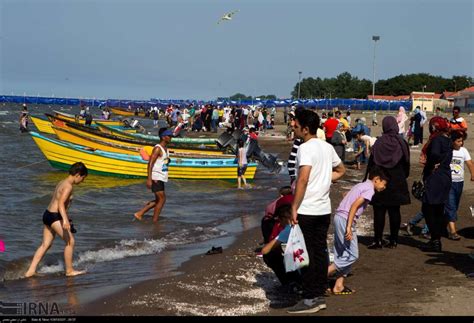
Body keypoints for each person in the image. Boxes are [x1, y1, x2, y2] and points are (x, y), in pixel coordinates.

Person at [287, 109, 346, 314]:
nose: (293, 125)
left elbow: (302, 178)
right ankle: (318, 292)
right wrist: (322, 180)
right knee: (320, 252)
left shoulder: (306, 147)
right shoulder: (326, 146)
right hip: (323, 210)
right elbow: (340, 170)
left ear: (305, 128)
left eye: (296, 123)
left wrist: (293, 207)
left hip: (308, 209)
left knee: (309, 254)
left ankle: (312, 297)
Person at [328, 166, 389, 294]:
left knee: (342, 253)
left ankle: (338, 285)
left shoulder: (360, 185)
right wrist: (349, 227)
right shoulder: (369, 190)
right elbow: (355, 206)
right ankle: (323, 274)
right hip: (345, 220)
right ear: (377, 179)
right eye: (384, 184)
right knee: (352, 254)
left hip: (339, 217)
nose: (384, 187)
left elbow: (347, 195)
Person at [25, 162, 88, 277]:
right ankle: (69, 271)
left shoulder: (62, 182)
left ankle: (30, 271)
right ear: (78, 175)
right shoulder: (68, 186)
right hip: (55, 216)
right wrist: (64, 220)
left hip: (47, 214)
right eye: (83, 178)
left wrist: (66, 218)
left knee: (46, 244)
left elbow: (58, 202)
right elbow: (60, 204)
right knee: (70, 242)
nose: (82, 181)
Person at [366, 116, 410, 249]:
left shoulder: (379, 142)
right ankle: (394, 240)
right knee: (394, 211)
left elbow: (372, 162)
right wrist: (403, 175)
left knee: (379, 210)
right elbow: (406, 162)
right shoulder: (401, 142)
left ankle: (378, 240)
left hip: (380, 180)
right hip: (397, 179)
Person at [420, 116, 452, 252]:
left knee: (428, 208)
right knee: (438, 209)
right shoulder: (447, 139)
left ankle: (435, 240)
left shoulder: (437, 139)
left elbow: (434, 155)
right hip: (445, 176)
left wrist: (430, 164)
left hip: (436, 177)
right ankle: (436, 239)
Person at [261, 195, 302, 290]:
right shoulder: (305, 222)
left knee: (270, 255)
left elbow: (265, 250)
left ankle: (291, 283)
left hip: (304, 270)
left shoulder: (288, 229)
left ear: (283, 218)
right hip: (318, 267)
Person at [134, 128, 173, 223]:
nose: (171, 138)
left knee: (158, 199)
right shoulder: (157, 148)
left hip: (161, 176)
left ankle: (139, 213)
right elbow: (150, 163)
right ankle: (154, 221)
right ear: (163, 137)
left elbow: (162, 161)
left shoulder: (165, 149)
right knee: (162, 199)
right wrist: (149, 179)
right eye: (169, 136)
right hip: (156, 177)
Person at [445, 131, 474, 240]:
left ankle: (433, 227)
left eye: (462, 141)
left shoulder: (463, 151)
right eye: (458, 141)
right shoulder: (448, 151)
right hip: (448, 182)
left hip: (460, 182)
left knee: (454, 206)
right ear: (452, 141)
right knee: (451, 206)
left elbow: (470, 163)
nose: (461, 143)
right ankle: (453, 231)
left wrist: (472, 174)